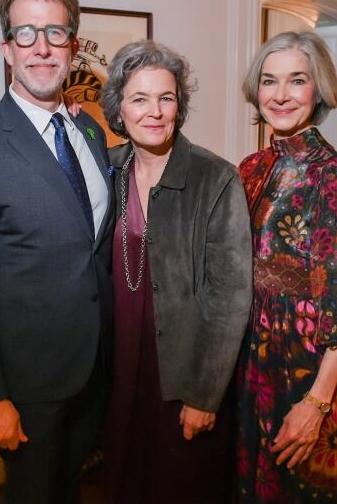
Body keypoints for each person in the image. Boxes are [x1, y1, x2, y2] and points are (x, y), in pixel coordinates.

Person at [0, 0, 113, 503]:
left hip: (96, 366)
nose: (42, 48)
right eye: (25, 34)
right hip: (29, 383)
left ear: (74, 47)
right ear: (7, 49)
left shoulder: (90, 131)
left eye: (55, 33)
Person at [97, 40, 253, 503]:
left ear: (179, 106)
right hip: (120, 364)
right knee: (124, 477)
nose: (155, 111)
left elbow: (230, 295)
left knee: (182, 483)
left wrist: (205, 395)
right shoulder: (106, 170)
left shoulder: (216, 177)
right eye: (140, 98)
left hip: (184, 372)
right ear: (119, 109)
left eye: (166, 98)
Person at [234, 31, 337, 502]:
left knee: (297, 488)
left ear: (318, 91)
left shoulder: (336, 176)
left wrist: (317, 403)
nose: (280, 95)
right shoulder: (251, 166)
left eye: (296, 81)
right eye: (269, 81)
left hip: (306, 366)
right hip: (251, 358)